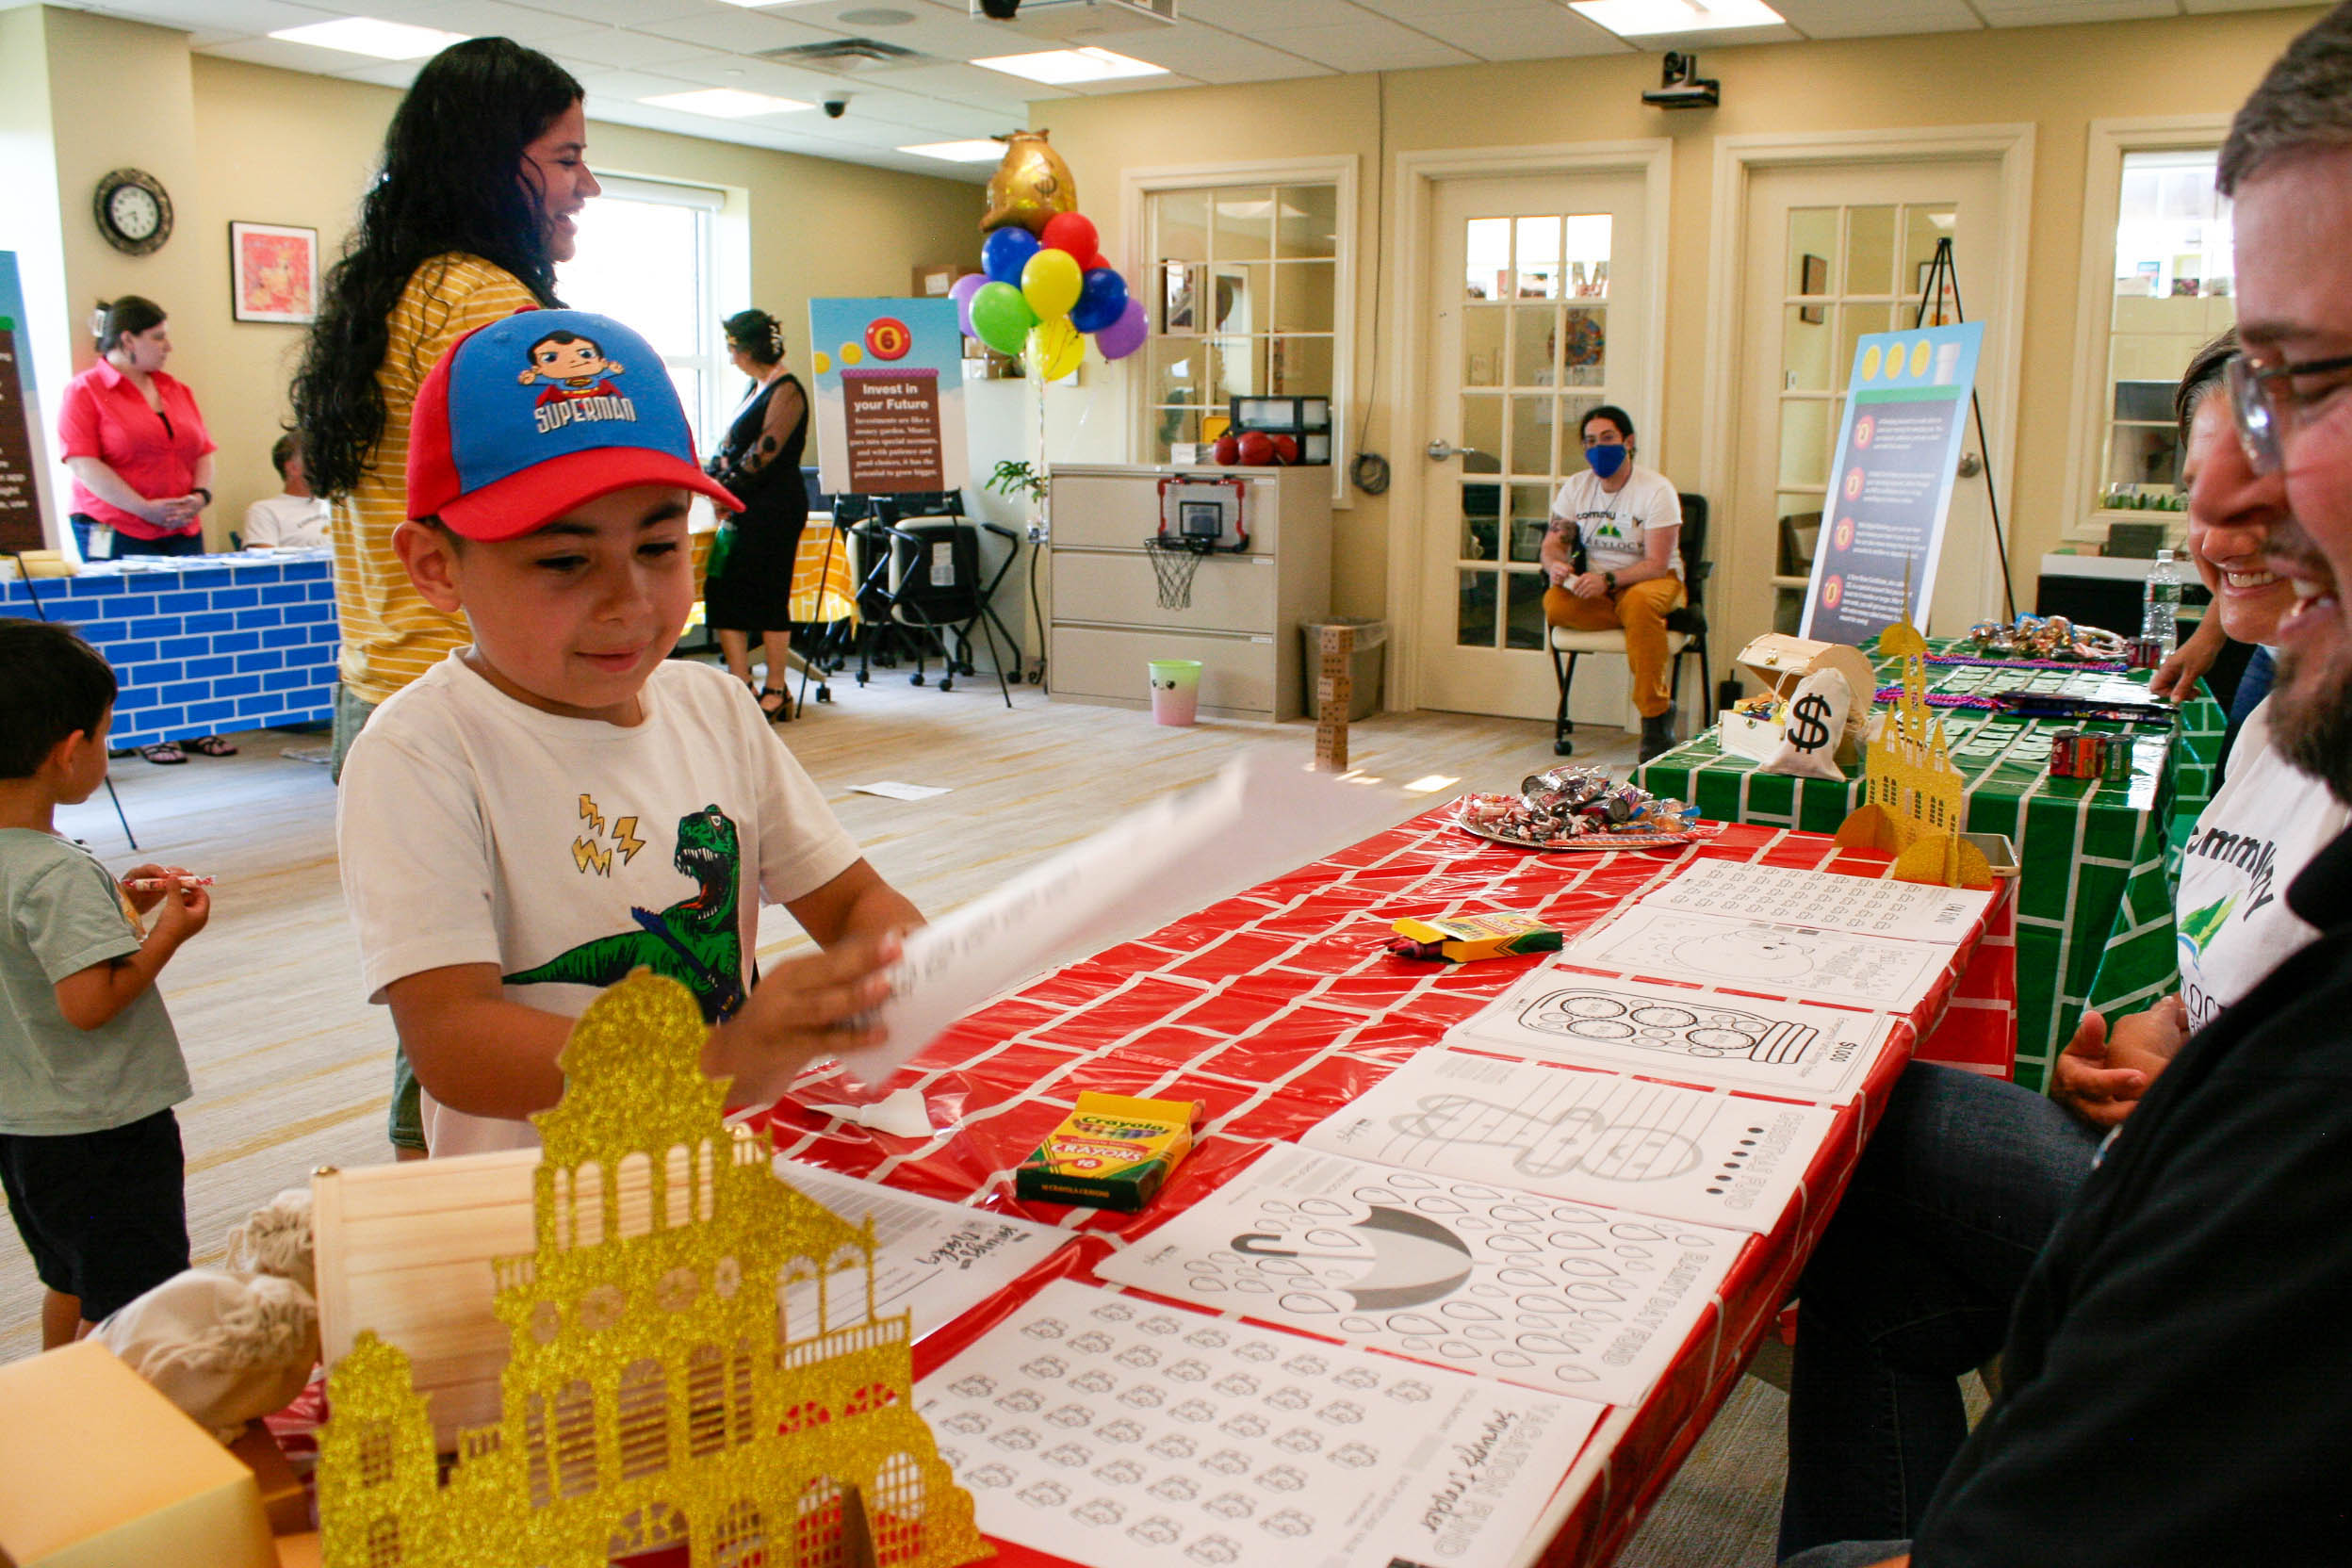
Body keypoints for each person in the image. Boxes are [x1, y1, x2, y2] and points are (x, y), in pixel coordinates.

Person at [1785, 8, 2352, 1561]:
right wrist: (2191, 1027)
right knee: (1867, 1156)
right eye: (2251, 390)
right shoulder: (2283, 716)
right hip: (2148, 1165)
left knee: (1863, 1135)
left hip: (2150, 1207)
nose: (2218, 509)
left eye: (2302, 382)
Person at [337, 310, 919, 1158]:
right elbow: (456, 1045)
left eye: (658, 545)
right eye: (565, 561)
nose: (631, 601)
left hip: (719, 1182)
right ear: (436, 566)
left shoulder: (716, 708)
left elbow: (856, 900)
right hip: (538, 1225)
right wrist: (716, 1059)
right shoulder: (419, 752)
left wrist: (892, 965)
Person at [290, 34, 596, 1160]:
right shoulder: (484, 303)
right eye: (566, 159)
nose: (586, 186)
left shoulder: (388, 291)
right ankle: (445, 1241)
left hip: (375, 690)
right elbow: (542, 514)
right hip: (476, 706)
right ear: (492, 164)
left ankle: (425, 1204)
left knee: (435, 997)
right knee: (493, 1022)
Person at [0, 620, 209, 1349]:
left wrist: (119, 907)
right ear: (68, 751)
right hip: (104, 1127)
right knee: (133, 1300)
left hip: (25, 1127)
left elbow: (29, 954)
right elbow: (88, 1003)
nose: (108, 747)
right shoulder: (55, 872)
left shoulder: (19, 863)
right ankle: (129, 1438)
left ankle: (59, 1403)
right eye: (105, 733)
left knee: (70, 1277)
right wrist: (165, 936)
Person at [57, 297, 236, 765]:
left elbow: (203, 448)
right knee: (130, 630)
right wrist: (142, 508)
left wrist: (200, 497)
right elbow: (82, 462)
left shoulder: (175, 389)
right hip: (116, 528)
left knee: (190, 625)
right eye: (158, 337)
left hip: (181, 525)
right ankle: (145, 728)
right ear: (127, 339)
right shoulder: (86, 391)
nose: (167, 346)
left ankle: (197, 723)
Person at [1539, 405, 1685, 760]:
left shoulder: (1656, 490)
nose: (1598, 448)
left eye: (1608, 438)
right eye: (1590, 441)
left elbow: (1655, 563)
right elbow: (1552, 545)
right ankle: (1646, 625)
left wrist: (1608, 580)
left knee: (1637, 603)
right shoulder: (1577, 487)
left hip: (1654, 581)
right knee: (1555, 603)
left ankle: (1654, 717)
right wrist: (1556, 566)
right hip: (1602, 588)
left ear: (1628, 442)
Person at [703, 309, 811, 721]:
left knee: (768, 594)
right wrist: (710, 482)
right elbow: (730, 447)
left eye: (733, 349)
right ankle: (739, 683)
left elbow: (762, 454)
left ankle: (776, 687)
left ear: (750, 349)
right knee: (725, 591)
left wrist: (722, 491)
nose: (730, 358)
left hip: (773, 507)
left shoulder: (788, 391)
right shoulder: (755, 386)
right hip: (740, 506)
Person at [242, 432, 330, 549]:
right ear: (293, 468)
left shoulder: (337, 505)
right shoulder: (263, 511)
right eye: (316, 459)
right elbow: (267, 563)